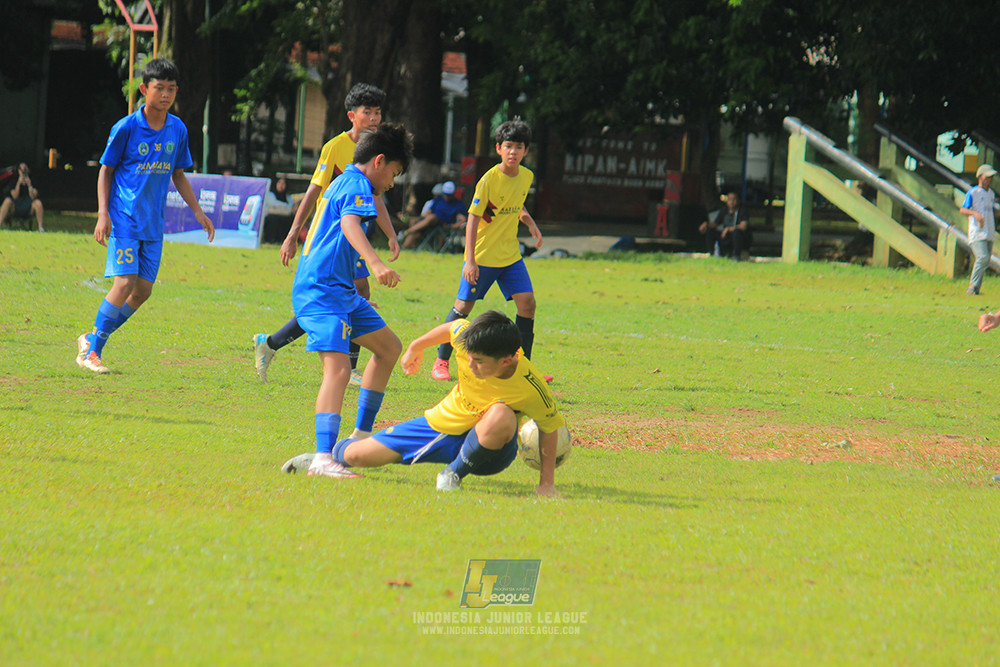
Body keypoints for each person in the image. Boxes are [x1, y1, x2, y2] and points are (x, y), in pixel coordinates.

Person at [282, 310, 563, 496]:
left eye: (479, 362)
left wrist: (546, 484)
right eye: (469, 358)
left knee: (501, 413)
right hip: (442, 424)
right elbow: (452, 327)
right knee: (356, 456)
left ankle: (452, 475)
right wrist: (416, 346)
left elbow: (550, 427)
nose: (470, 366)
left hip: (490, 451)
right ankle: (324, 458)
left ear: (506, 360)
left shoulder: (531, 386)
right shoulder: (468, 339)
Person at [75, 58, 214, 374]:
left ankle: (91, 337)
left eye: (171, 89)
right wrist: (102, 214)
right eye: (159, 88)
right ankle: (92, 353)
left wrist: (198, 211)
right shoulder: (126, 127)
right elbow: (105, 171)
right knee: (125, 283)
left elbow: (178, 174)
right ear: (143, 89)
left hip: (153, 223)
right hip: (125, 218)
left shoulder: (177, 129)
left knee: (143, 291)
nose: (166, 95)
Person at [291, 123, 413, 478]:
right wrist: (376, 264)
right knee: (340, 370)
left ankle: (359, 437)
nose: (392, 182)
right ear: (379, 161)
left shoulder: (347, 180)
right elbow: (349, 224)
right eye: (394, 173)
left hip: (341, 290)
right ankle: (322, 458)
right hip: (322, 290)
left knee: (389, 348)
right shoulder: (357, 184)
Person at [254, 83, 398, 383]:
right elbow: (313, 190)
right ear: (352, 116)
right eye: (368, 112)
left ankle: (277, 345)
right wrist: (293, 233)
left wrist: (391, 234)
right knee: (339, 297)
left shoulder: (378, 152)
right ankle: (338, 365)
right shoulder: (335, 147)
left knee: (353, 294)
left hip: (354, 235)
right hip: (332, 235)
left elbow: (377, 198)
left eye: (378, 113)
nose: (374, 118)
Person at [430, 120, 548, 383]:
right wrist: (469, 260)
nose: (513, 151)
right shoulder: (488, 180)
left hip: (510, 257)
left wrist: (530, 223)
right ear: (498, 148)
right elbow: (473, 219)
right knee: (463, 307)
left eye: (519, 147)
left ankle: (522, 368)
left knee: (528, 305)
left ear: (526, 151)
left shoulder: (526, 176)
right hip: (482, 257)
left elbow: (515, 204)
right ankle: (441, 361)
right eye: (508, 146)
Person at [399, 180, 467, 249]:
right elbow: (428, 212)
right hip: (429, 223)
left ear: (454, 194)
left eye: (449, 195)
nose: (447, 197)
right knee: (414, 222)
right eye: (445, 194)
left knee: (432, 217)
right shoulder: (438, 200)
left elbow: (462, 220)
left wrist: (451, 226)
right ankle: (404, 247)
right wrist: (417, 218)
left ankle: (406, 232)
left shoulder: (459, 205)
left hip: (442, 223)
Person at [961, 164, 997, 295]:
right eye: (987, 177)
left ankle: (976, 289)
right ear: (980, 177)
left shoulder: (991, 194)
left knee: (986, 260)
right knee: (982, 257)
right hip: (977, 231)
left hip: (989, 230)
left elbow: (990, 212)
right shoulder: (973, 192)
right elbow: (963, 209)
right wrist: (974, 214)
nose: (990, 179)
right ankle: (972, 286)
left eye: (991, 177)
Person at [698, 191, 751, 259]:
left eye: (734, 199)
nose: (731, 202)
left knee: (737, 232)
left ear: (738, 201)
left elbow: (743, 226)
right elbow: (715, 224)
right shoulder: (724, 210)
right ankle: (711, 253)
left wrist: (728, 229)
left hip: (737, 237)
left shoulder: (742, 210)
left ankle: (736, 256)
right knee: (710, 231)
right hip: (725, 236)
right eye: (730, 199)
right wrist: (706, 224)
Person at [0, 163, 45, 231]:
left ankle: (41, 228)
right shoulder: (14, 181)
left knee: (38, 203)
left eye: (25, 169)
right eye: (21, 169)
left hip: (29, 207)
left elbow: (33, 197)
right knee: (7, 201)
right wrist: (18, 183)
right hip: (15, 206)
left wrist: (29, 185)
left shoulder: (32, 181)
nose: (23, 172)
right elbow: (15, 196)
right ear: (18, 171)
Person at [262, 177, 300, 243]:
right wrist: (287, 207)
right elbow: (275, 204)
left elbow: (291, 206)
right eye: (279, 183)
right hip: (271, 217)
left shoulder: (287, 197)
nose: (281, 185)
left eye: (283, 183)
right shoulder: (270, 195)